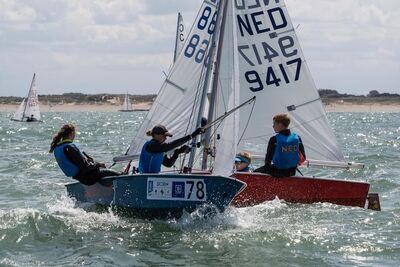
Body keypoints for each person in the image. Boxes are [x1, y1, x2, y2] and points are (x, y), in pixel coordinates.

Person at [50, 123, 121, 185]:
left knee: (106, 171)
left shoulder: (57, 148)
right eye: (74, 134)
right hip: (89, 178)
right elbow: (86, 168)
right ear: (71, 134)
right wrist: (98, 164)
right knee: (121, 175)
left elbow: (78, 164)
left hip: (80, 178)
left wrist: (89, 161)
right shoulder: (69, 147)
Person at [139, 125, 204, 173]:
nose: (165, 138)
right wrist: (191, 136)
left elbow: (168, 164)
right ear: (156, 135)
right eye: (164, 136)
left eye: (166, 136)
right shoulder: (152, 145)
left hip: (153, 179)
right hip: (144, 178)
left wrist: (177, 152)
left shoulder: (159, 149)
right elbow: (170, 145)